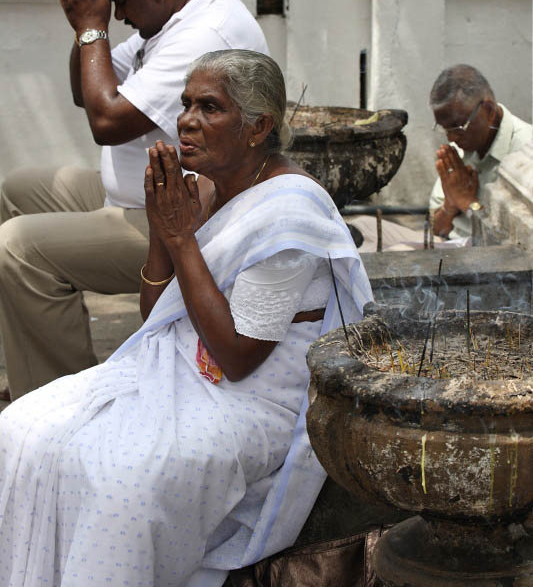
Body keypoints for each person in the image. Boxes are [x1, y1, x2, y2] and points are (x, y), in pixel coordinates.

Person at [0, 49, 373, 587]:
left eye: (210, 107)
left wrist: (181, 239)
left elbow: (240, 358)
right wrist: (161, 230)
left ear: (257, 127)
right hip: (181, 371)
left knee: (122, 482)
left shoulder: (289, 212)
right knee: (23, 427)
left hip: (255, 402)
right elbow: (156, 319)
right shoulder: (203, 187)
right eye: (186, 104)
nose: (187, 120)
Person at [0, 0, 269, 400]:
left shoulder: (204, 32)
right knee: (15, 190)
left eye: (121, 2)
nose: (119, 16)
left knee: (17, 249)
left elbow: (106, 120)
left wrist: (91, 27)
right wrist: (82, 26)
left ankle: (61, 405)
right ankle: (28, 353)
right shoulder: (171, 18)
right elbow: (85, 91)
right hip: (133, 194)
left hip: (182, 221)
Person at [351, 64, 532, 251]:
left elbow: (515, 244)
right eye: (445, 128)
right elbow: (435, 229)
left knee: (393, 255)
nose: (451, 137)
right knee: (360, 228)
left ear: (489, 111)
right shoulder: (459, 149)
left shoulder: (525, 153)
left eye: (458, 128)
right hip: (446, 243)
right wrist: (450, 203)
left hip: (483, 252)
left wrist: (469, 203)